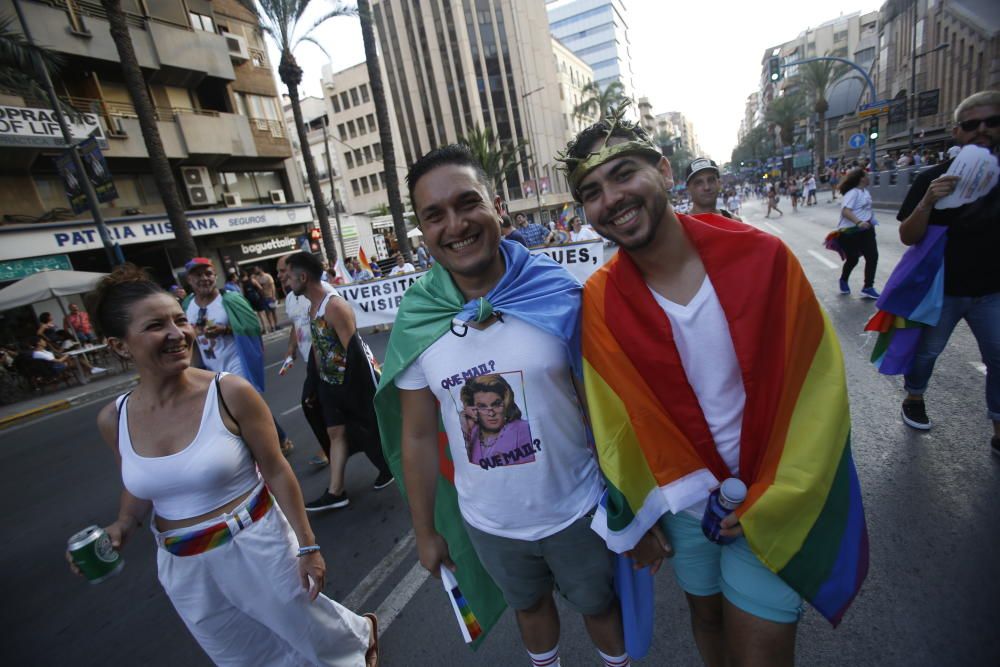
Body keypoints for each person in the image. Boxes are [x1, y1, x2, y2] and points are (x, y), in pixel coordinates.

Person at [560, 111, 868, 667]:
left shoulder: (764, 258)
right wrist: (641, 516)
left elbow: (815, 387)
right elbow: (614, 423)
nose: (610, 199)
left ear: (663, 171)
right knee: (706, 619)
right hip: (684, 503)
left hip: (770, 489)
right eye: (592, 192)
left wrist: (773, 491)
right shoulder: (599, 303)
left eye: (623, 174)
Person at [375, 144, 629, 667]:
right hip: (490, 524)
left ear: (496, 207)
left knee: (602, 607)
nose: (455, 225)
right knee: (531, 610)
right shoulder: (419, 318)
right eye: (435, 215)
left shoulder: (555, 290)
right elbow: (419, 437)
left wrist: (629, 498)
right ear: (422, 231)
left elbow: (601, 402)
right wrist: (426, 532)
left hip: (579, 508)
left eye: (468, 204)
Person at [68, 264, 379, 666]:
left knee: (311, 629)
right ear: (119, 346)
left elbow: (276, 468)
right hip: (182, 564)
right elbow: (138, 483)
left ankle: (359, 643)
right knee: (242, 654)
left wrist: (308, 545)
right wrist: (122, 525)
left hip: (256, 541)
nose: (178, 333)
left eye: (180, 319)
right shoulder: (115, 418)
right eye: (156, 325)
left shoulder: (229, 392)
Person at [895, 90, 1000, 453]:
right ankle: (914, 397)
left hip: (992, 291)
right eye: (972, 124)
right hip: (944, 291)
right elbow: (908, 235)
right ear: (958, 132)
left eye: (992, 122)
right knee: (928, 352)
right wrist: (927, 202)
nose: (982, 130)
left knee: (998, 357)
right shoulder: (932, 179)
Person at [284, 252, 394, 511]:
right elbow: (319, 347)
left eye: (288, 276)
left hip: (348, 385)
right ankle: (336, 492)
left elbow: (354, 349)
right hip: (328, 384)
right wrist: (313, 383)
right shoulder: (312, 305)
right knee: (335, 432)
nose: (286, 282)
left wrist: (360, 393)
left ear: (303, 276)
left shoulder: (334, 306)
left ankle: (391, 467)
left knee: (369, 429)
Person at [183, 257, 293, 455]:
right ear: (189, 280)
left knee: (246, 404)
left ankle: (276, 441)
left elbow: (252, 327)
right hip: (209, 366)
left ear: (215, 276)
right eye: (198, 275)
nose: (204, 279)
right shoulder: (188, 304)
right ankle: (260, 443)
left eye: (208, 273)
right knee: (226, 410)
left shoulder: (230, 299)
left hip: (236, 361)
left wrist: (225, 330)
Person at [277, 254, 334, 468]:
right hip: (311, 360)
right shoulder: (292, 297)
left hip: (327, 361)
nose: (280, 276)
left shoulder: (325, 292)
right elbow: (296, 324)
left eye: (283, 271)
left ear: (299, 273)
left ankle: (330, 447)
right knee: (320, 406)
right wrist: (291, 349)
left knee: (315, 405)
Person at [459, 374, 533, 464]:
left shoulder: (522, 429)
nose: (491, 413)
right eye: (482, 406)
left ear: (506, 402)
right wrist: (465, 427)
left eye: (496, 404)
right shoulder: (473, 430)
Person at [836, 168, 880, 298]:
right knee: (853, 259)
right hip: (851, 232)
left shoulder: (865, 192)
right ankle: (843, 279)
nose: (869, 177)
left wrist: (871, 221)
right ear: (861, 178)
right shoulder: (853, 193)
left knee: (872, 257)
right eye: (866, 175)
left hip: (867, 230)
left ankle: (868, 287)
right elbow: (846, 211)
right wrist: (859, 222)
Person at [31, 335, 105, 376]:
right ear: (39, 343)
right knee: (78, 360)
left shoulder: (43, 351)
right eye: (42, 341)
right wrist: (66, 356)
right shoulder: (39, 353)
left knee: (77, 359)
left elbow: (56, 355)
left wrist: (65, 354)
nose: (44, 342)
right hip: (55, 367)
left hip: (56, 364)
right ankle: (92, 370)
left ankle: (91, 371)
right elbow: (58, 360)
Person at [240, 269, 270, 334]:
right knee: (261, 314)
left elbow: (242, 294)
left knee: (254, 316)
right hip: (257, 299)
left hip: (249, 301)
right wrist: (261, 296)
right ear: (246, 275)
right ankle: (266, 329)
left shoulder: (242, 284)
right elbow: (260, 288)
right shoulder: (252, 280)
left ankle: (259, 329)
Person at [254, 265, 280, 333]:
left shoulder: (268, 276)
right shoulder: (257, 278)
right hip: (263, 298)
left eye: (256, 269)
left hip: (270, 296)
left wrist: (273, 296)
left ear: (260, 269)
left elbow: (273, 286)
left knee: (273, 311)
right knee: (267, 313)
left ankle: (276, 325)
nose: (255, 271)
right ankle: (272, 326)